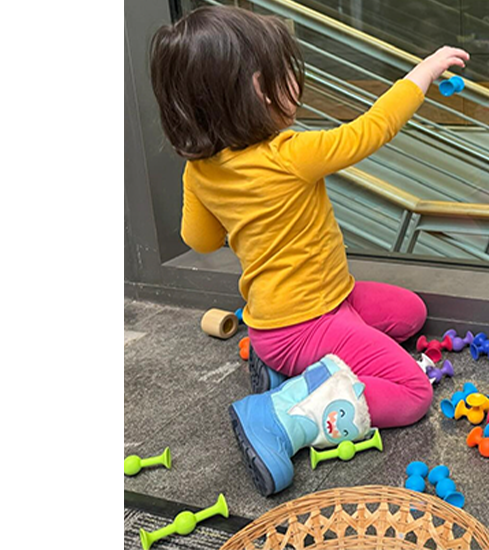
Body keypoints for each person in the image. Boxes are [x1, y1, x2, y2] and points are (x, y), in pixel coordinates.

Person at [149, 5, 470, 495]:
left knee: (409, 313)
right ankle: (279, 413)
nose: (297, 85)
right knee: (412, 393)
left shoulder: (200, 171)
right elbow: (371, 130)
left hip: (304, 309)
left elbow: (201, 240)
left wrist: (223, 200)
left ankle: (283, 365)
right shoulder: (290, 155)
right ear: (259, 89)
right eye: (286, 75)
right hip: (304, 325)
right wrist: (423, 72)